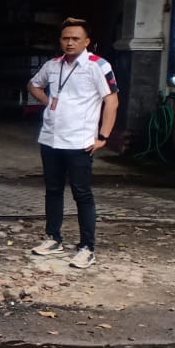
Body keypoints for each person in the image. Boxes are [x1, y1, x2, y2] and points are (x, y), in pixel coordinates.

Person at [27, 17, 119, 269]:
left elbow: (111, 100)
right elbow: (33, 85)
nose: (70, 43)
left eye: (75, 38)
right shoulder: (53, 65)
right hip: (50, 139)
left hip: (80, 141)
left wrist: (103, 136)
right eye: (66, 38)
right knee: (53, 190)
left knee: (82, 194)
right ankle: (53, 238)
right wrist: (48, 102)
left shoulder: (97, 65)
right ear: (60, 41)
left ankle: (87, 247)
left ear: (86, 41)